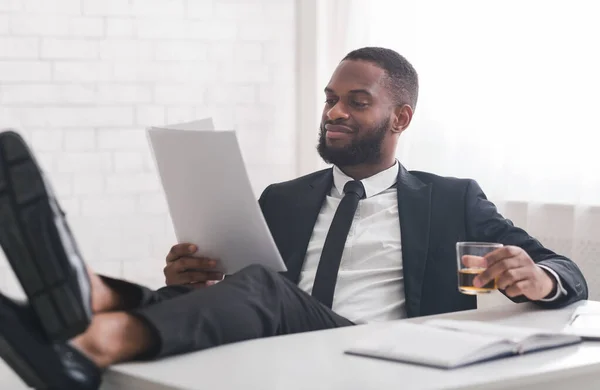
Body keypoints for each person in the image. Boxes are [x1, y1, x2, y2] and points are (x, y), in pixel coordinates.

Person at [0, 47, 588, 389]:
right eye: (331, 97)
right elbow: (236, 298)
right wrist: (190, 281)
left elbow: (568, 271)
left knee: (265, 290)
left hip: (375, 354)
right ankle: (92, 294)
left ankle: (94, 342)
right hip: (279, 347)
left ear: (401, 118)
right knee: (239, 291)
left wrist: (541, 278)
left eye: (357, 102)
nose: (334, 111)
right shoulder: (283, 197)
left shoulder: (451, 197)